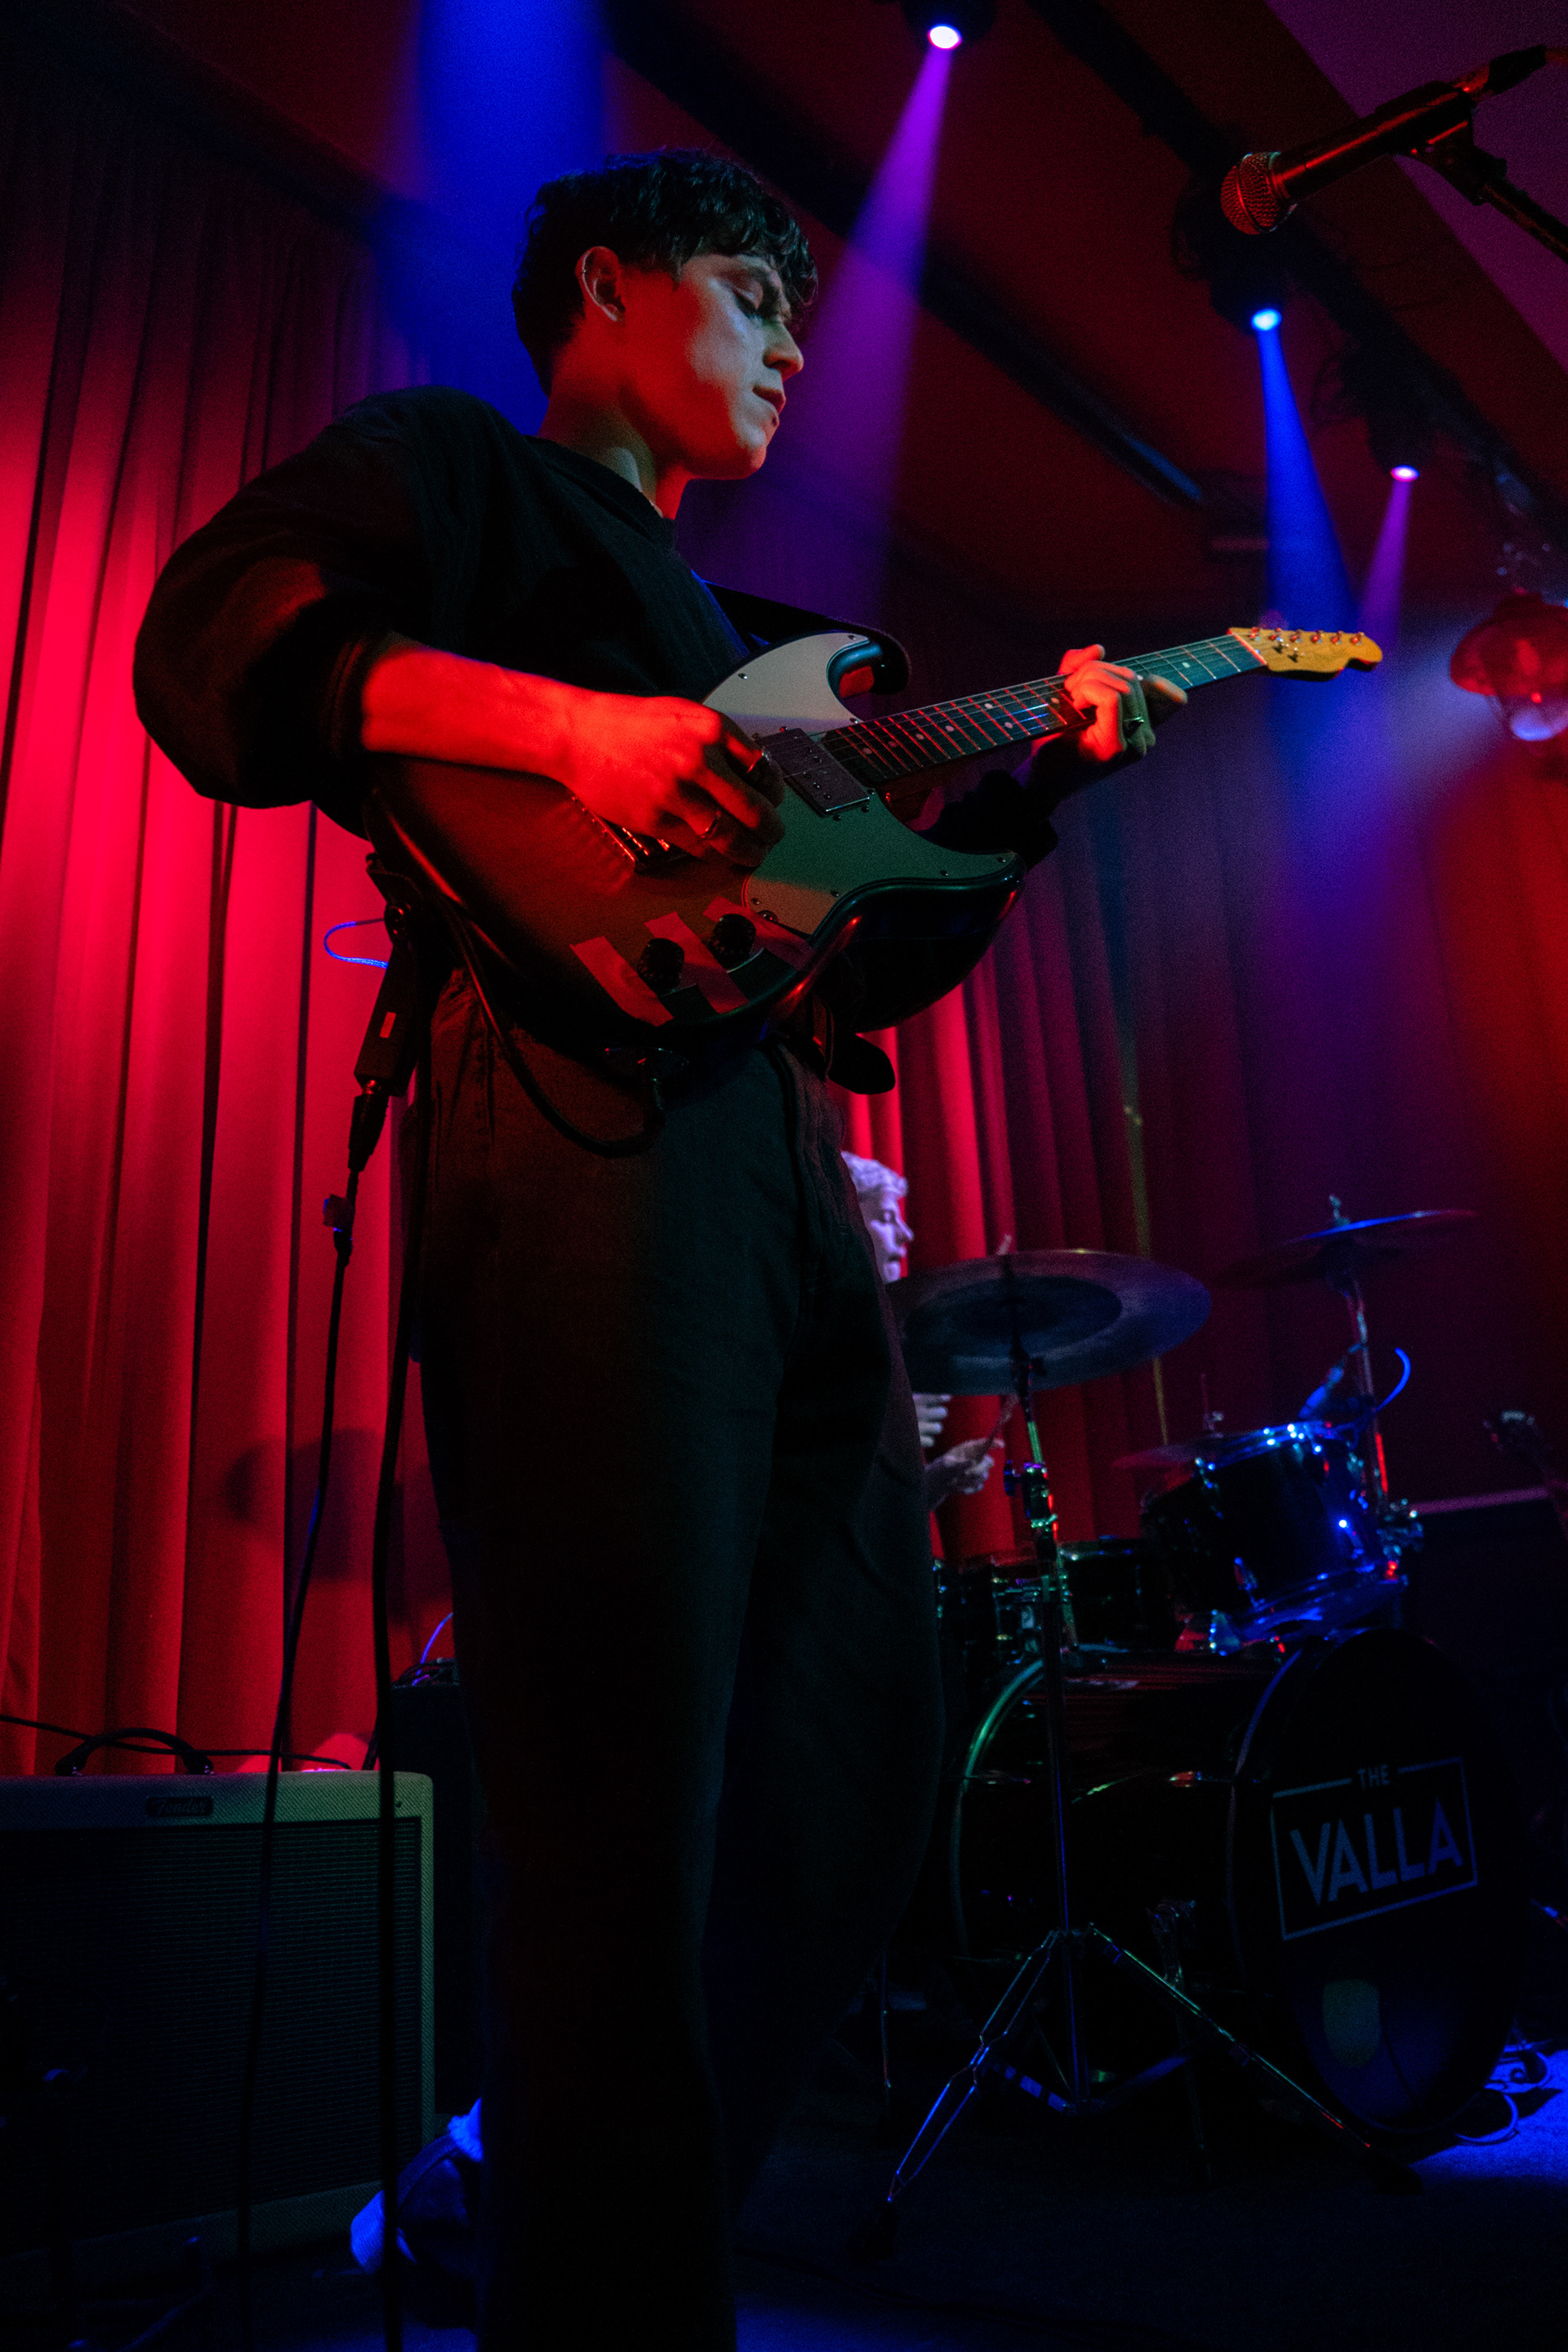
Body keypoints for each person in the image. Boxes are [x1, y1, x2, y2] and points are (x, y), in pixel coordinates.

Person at [133, 148, 1183, 2351]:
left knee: (851, 1772)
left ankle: (557, 2217)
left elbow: (857, 965)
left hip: (771, 1158)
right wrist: (569, 726)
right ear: (605, 290)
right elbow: (210, 636)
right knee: (621, 1808)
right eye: (750, 293)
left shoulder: (757, 640)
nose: (793, 343)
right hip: (567, 1126)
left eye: (803, 311)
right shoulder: (457, 473)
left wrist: (1039, 784)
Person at [841, 1151, 1001, 1509]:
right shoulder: (804, 1331)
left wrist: (935, 1479)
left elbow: (874, 1517)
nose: (906, 1233)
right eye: (887, 1218)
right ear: (844, 1225)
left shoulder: (882, 1332)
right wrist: (887, 1424)